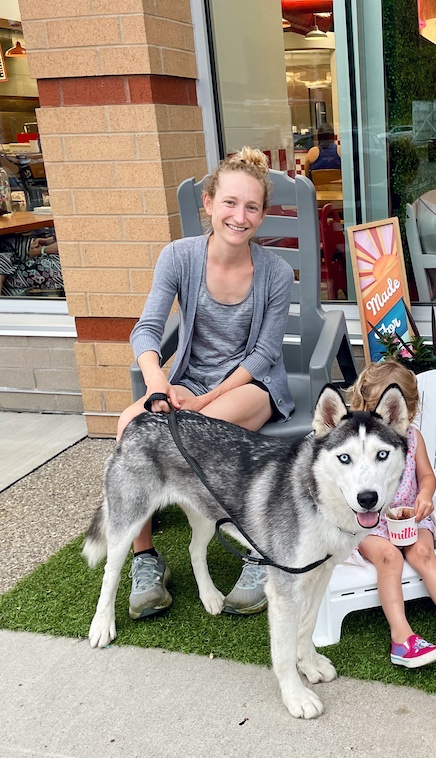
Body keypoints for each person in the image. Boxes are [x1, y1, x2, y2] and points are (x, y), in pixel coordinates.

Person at [118, 146, 295, 621]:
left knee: (200, 428)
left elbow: (264, 354)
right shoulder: (179, 256)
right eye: (230, 203)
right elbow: (146, 331)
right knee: (128, 426)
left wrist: (202, 399)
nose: (240, 217)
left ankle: (258, 552)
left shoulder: (276, 272)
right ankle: (145, 558)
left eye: (252, 207)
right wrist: (158, 387)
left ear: (263, 214)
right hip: (185, 382)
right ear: (209, 201)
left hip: (250, 386)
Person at [347, 361, 436, 668]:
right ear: (363, 404)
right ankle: (401, 637)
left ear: (410, 410)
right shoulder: (354, 442)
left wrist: (425, 497)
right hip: (370, 525)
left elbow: (427, 476)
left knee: (424, 553)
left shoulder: (414, 437)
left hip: (410, 519)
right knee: (389, 558)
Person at [0, 229, 63, 297]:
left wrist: (41, 250)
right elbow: (65, 238)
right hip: (56, 251)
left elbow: (68, 245)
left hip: (64, 264)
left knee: (10, 281)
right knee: (9, 243)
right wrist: (46, 241)